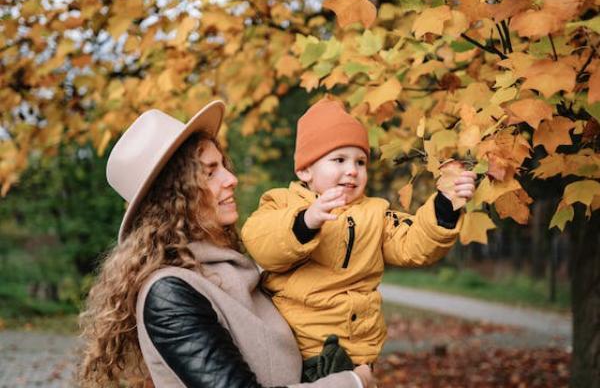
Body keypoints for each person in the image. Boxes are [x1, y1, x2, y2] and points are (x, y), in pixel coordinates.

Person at [77, 101, 375, 387]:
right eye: (209, 172)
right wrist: (352, 382)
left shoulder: (236, 268)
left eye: (223, 166)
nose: (231, 179)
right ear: (174, 197)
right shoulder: (169, 294)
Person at [241, 98, 476, 379]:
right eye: (339, 160)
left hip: (359, 351)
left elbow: (413, 245)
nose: (352, 170)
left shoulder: (375, 213)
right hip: (304, 351)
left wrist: (445, 206)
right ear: (305, 170)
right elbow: (260, 242)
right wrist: (307, 220)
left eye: (360, 162)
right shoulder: (283, 203)